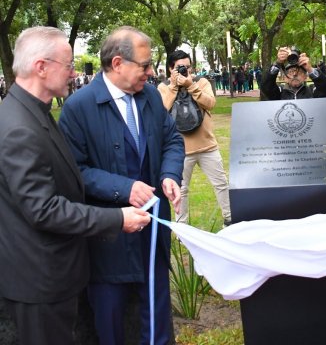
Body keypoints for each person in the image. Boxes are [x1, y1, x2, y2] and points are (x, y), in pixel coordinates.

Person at [0, 26, 150, 345]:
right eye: (67, 65)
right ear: (41, 67)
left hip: (53, 275)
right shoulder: (19, 128)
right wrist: (117, 219)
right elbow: (44, 210)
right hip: (40, 281)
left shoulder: (32, 113)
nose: (72, 73)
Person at [59, 26, 184, 345]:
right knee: (110, 317)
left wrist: (170, 174)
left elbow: (171, 139)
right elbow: (74, 171)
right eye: (145, 65)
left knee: (156, 312)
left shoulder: (151, 97)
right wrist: (123, 188)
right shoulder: (78, 108)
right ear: (117, 63)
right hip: (108, 237)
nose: (152, 71)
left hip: (153, 231)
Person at [158, 50, 231, 226]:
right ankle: (183, 228)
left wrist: (191, 86)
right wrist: (174, 87)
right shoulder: (163, 87)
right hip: (180, 150)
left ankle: (230, 219)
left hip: (207, 146)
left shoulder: (201, 82)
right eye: (180, 68)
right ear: (170, 69)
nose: (185, 71)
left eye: (188, 67)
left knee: (221, 184)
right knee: (181, 190)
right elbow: (161, 113)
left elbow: (211, 103)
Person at [261, 47, 326, 100]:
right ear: (284, 78)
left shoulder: (312, 90)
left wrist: (310, 69)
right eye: (291, 71)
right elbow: (266, 87)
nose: (295, 74)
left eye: (300, 72)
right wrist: (278, 63)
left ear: (306, 77)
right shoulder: (279, 92)